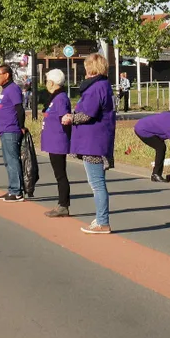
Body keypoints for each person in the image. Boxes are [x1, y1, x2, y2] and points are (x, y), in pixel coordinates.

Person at [63, 53, 116, 233]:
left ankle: (103, 221)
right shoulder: (103, 85)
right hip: (97, 139)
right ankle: (101, 219)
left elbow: (88, 114)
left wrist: (71, 118)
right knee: (97, 182)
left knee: (97, 184)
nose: (84, 69)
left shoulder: (95, 88)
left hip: (93, 141)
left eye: (87, 66)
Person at [40, 69, 71, 217]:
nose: (46, 83)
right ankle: (61, 204)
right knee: (58, 174)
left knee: (60, 174)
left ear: (51, 82)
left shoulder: (60, 98)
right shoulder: (54, 98)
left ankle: (63, 205)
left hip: (58, 142)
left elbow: (64, 119)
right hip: (53, 141)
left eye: (47, 81)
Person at [0, 65, 25, 202]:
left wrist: (21, 126)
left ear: (6, 75)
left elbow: (19, 109)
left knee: (13, 160)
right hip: (4, 129)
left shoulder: (13, 89)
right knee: (8, 161)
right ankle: (12, 188)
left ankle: (17, 191)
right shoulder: (4, 90)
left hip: (11, 129)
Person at [134, 111, 170, 183]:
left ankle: (155, 174)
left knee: (161, 146)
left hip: (142, 124)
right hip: (142, 130)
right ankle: (156, 174)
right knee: (161, 147)